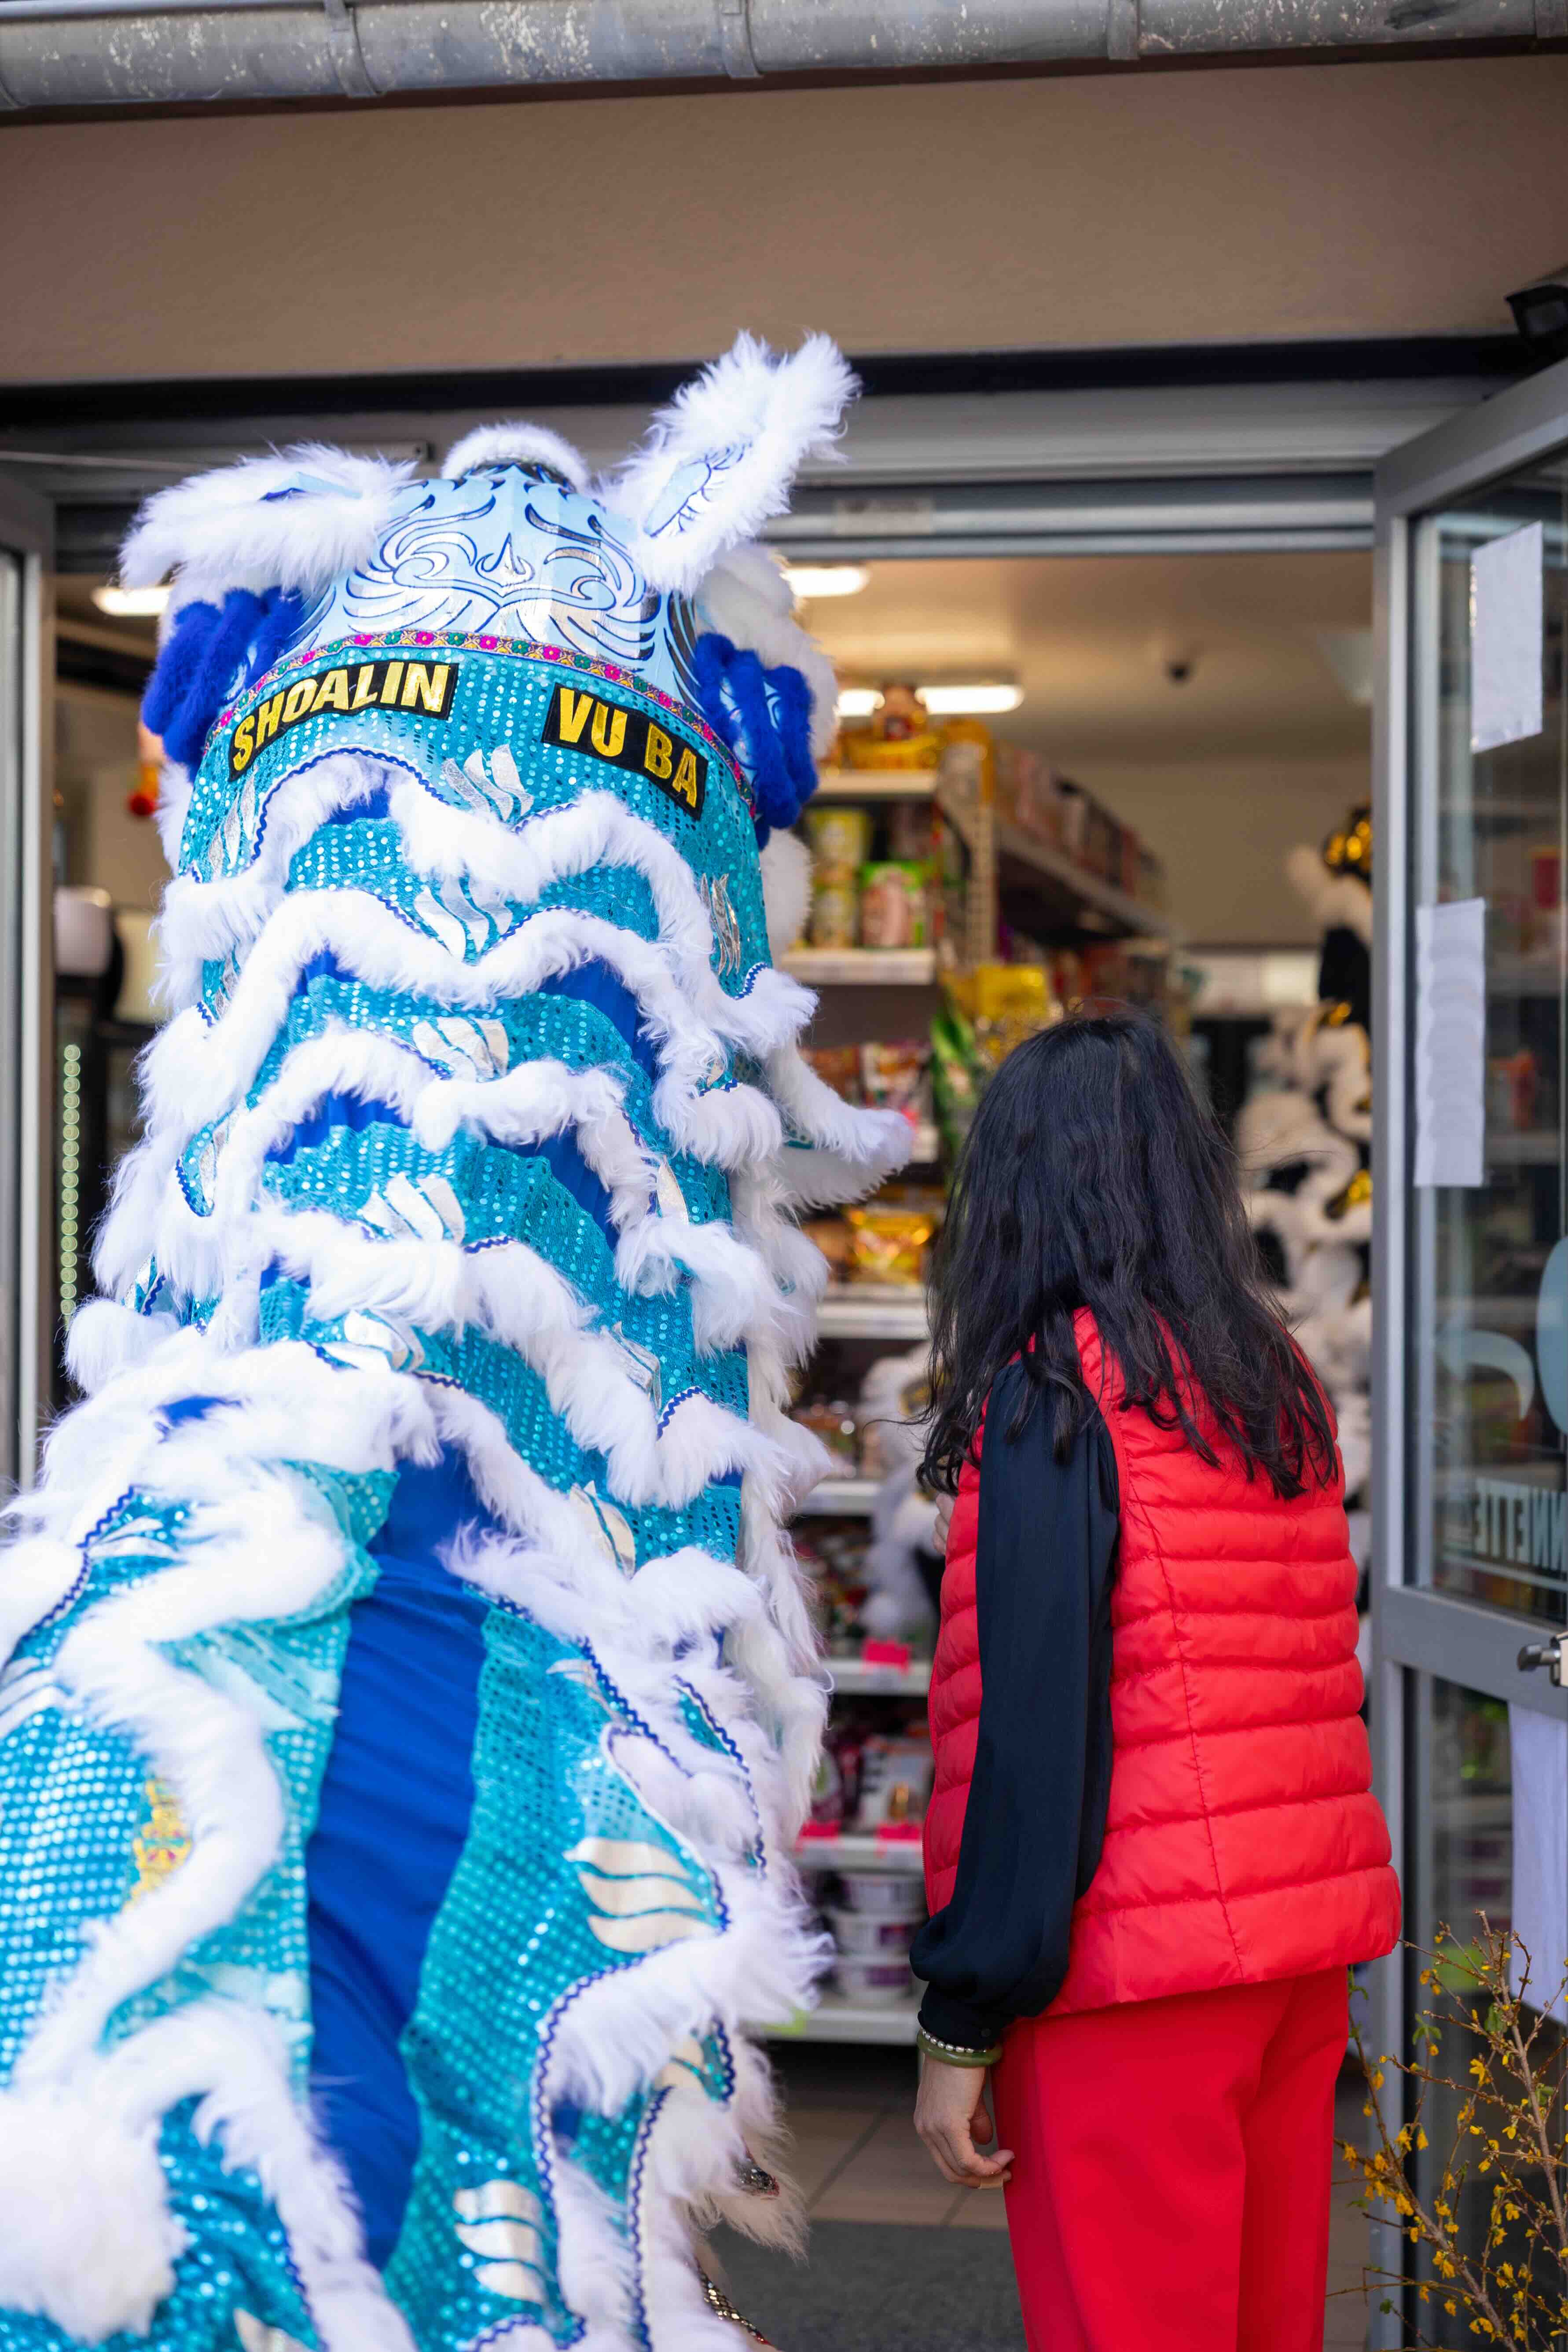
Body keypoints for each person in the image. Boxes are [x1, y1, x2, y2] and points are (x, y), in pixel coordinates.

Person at [908, 1007, 1399, 2352]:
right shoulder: (1266, 1378)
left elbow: (1035, 1732)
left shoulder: (1056, 1399)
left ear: (1014, 1193)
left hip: (1131, 1976)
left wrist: (961, 2016)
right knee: (1259, 2326)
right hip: (1289, 1964)